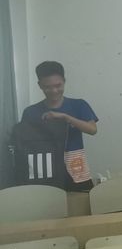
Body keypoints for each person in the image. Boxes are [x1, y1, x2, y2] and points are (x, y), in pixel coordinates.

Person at [22, 61, 98, 191]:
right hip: (45, 170)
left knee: (80, 201)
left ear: (64, 81)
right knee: (48, 202)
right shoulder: (30, 112)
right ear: (39, 85)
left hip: (76, 169)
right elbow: (25, 144)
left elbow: (92, 130)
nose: (54, 91)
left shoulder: (79, 105)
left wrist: (66, 117)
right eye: (47, 87)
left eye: (58, 85)